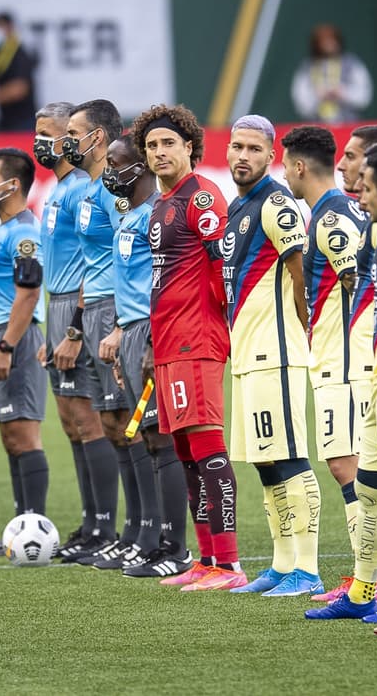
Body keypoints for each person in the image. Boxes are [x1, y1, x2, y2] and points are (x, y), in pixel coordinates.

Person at [131, 103, 244, 592]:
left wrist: (226, 326)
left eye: (168, 144)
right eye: (151, 146)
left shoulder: (201, 196)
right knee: (185, 451)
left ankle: (230, 564)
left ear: (190, 148)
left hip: (196, 338)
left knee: (206, 444)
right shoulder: (162, 203)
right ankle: (207, 558)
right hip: (169, 340)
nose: (159, 152)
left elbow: (225, 268)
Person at [219, 115, 321, 598]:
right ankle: (282, 564)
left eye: (254, 149)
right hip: (248, 352)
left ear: (271, 156)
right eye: (237, 146)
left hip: (275, 349)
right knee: (265, 460)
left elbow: (301, 271)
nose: (243, 156)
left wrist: (303, 327)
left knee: (290, 457)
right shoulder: (239, 205)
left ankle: (308, 568)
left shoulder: (276, 203)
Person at [307, 125, 377, 611]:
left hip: (363, 363)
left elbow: (359, 286)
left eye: (352, 156)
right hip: (351, 359)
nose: (342, 165)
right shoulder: (368, 223)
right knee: (367, 472)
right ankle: (374, 584)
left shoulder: (352, 219)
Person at [57, 99, 149, 568]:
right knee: (112, 423)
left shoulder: (115, 194)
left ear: (97, 137)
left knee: (130, 423)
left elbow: (127, 261)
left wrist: (117, 325)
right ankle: (127, 532)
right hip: (91, 310)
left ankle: (146, 530)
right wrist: (76, 326)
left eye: (74, 133)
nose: (66, 141)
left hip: (115, 311)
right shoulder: (88, 191)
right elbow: (89, 264)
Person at [282, 125, 372, 594]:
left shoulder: (332, 217)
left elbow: (359, 282)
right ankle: (370, 577)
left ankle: (371, 580)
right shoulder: (332, 212)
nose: (284, 176)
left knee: (346, 464)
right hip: (337, 356)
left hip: (346, 359)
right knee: (354, 465)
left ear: (299, 167)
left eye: (285, 166)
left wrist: (360, 342)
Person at [97, 133, 191, 578]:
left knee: (161, 436)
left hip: (153, 332)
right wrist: (120, 333)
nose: (109, 173)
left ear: (140, 167)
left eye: (116, 164)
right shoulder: (129, 216)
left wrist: (153, 340)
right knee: (147, 438)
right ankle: (154, 542)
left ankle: (176, 549)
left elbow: (165, 283)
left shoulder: (157, 215)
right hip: (132, 331)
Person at [33, 103, 119, 561]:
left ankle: (105, 527)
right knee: (70, 423)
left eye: (50, 134)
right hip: (59, 305)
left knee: (89, 420)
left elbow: (94, 261)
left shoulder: (85, 188)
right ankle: (90, 526)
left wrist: (73, 328)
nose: (43, 143)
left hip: (79, 307)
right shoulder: (61, 188)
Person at [0, 148, 51, 539]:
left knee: (24, 434)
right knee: (9, 435)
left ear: (13, 184)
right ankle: (22, 526)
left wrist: (5, 347)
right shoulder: (2, 230)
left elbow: (28, 294)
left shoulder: (23, 233)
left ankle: (34, 528)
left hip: (15, 338)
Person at [290, 24, 372, 122]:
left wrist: (342, 93)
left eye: (332, 40)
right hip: (316, 125)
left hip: (348, 123)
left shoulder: (351, 64)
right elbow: (301, 102)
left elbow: (363, 97)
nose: (329, 45)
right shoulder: (307, 67)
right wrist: (317, 96)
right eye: (324, 41)